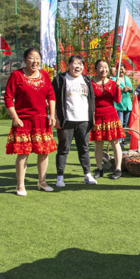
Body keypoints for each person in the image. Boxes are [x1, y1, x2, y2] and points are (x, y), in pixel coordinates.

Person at [4, 48, 57, 195]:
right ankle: (20, 184)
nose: (35, 61)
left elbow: (51, 95)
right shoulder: (16, 75)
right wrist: (15, 117)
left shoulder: (45, 75)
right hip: (23, 121)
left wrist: (52, 115)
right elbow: (8, 97)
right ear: (24, 60)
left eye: (37, 58)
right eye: (31, 58)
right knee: (23, 153)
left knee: (44, 151)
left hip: (42, 121)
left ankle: (42, 181)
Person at [52, 55, 96, 187]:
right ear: (69, 65)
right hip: (66, 121)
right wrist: (55, 117)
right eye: (75, 64)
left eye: (81, 64)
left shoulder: (87, 80)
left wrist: (92, 119)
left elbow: (91, 100)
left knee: (84, 148)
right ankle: (60, 177)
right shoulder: (60, 79)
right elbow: (52, 99)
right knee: (63, 149)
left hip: (84, 121)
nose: (78, 67)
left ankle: (87, 174)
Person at [90, 59, 125, 180]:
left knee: (115, 142)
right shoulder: (91, 83)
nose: (103, 69)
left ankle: (118, 168)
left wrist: (118, 87)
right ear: (96, 69)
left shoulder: (113, 83)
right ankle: (99, 169)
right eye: (100, 67)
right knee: (98, 144)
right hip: (97, 116)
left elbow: (118, 100)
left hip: (111, 115)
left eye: (105, 67)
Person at [112, 64, 135, 143]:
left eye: (122, 69)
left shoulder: (127, 79)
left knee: (125, 123)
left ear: (125, 70)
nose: (121, 70)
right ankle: (119, 140)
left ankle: (122, 138)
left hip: (127, 104)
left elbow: (132, 89)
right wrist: (121, 89)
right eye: (119, 69)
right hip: (119, 104)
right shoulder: (114, 79)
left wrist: (129, 89)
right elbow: (113, 90)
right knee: (120, 123)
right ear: (116, 70)